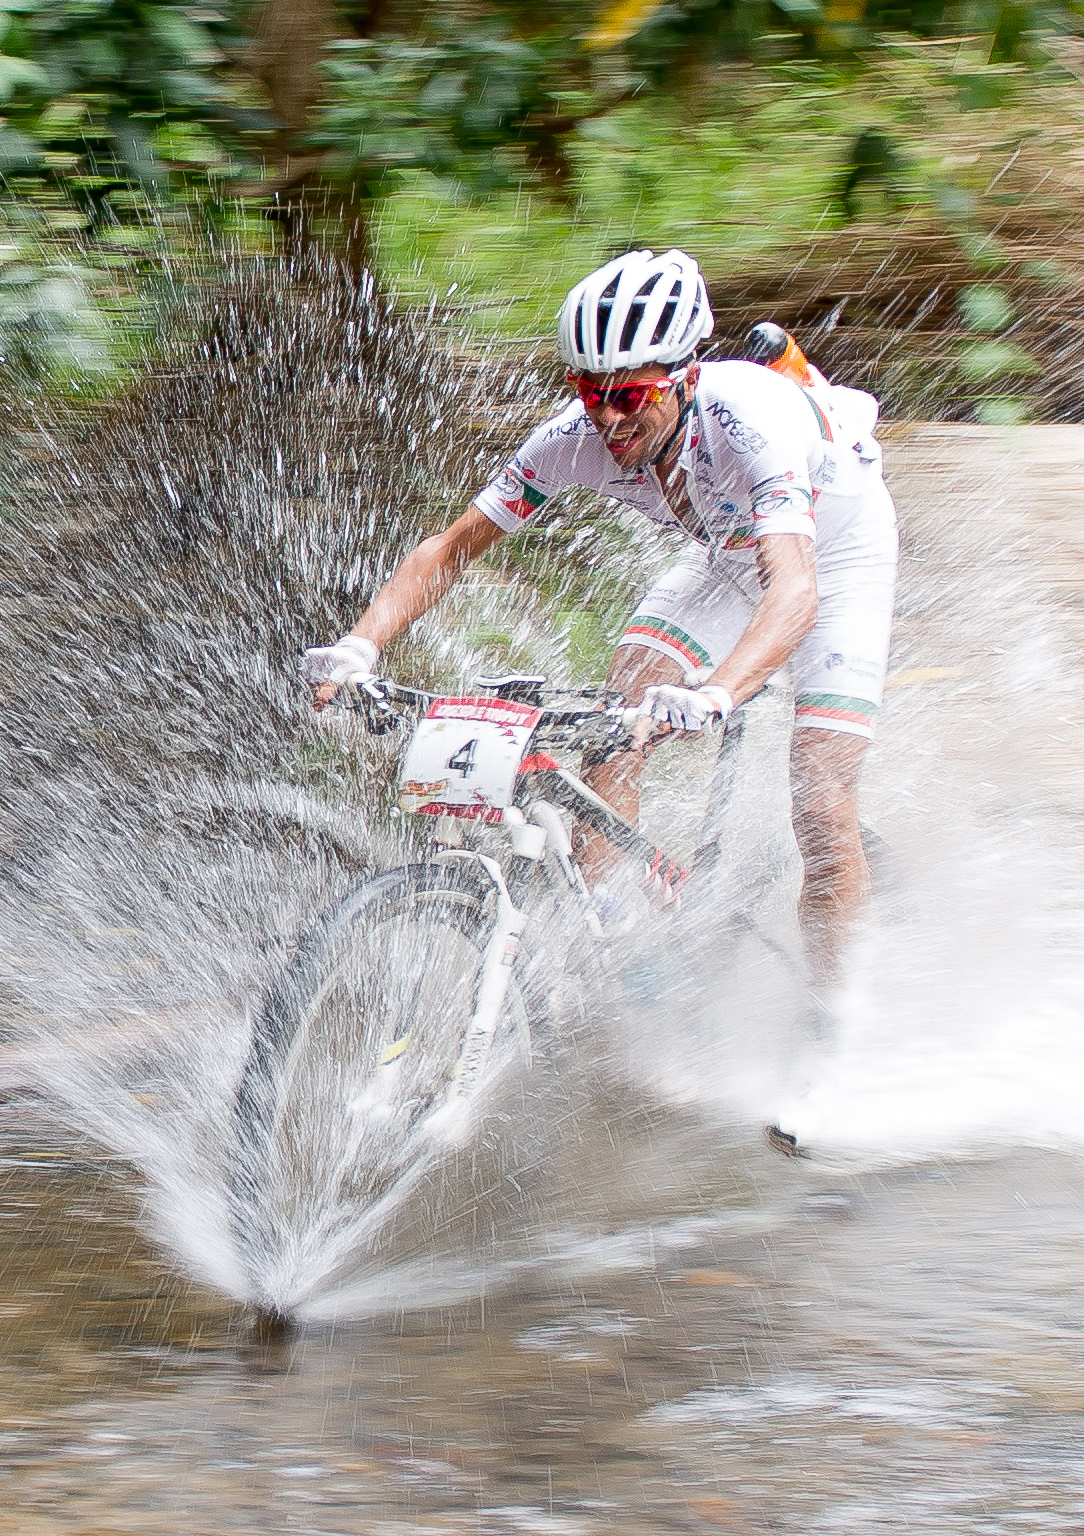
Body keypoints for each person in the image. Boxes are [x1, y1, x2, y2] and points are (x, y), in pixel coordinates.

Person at [301, 247, 897, 1005]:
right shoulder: (572, 439)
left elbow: (795, 592)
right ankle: (617, 936)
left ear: (682, 377)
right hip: (725, 550)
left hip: (834, 557)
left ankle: (834, 1036)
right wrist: (359, 645)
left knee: (818, 802)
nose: (608, 417)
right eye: (589, 394)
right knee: (622, 712)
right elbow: (448, 550)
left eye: (629, 395)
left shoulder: (749, 426)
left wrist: (716, 693)